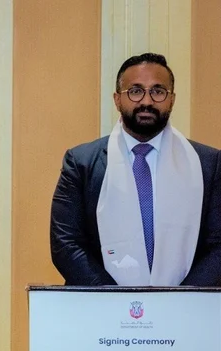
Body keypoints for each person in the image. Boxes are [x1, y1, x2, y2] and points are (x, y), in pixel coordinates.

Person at [51, 52, 221, 286]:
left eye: (158, 91)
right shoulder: (81, 163)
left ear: (172, 99)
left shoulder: (208, 164)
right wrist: (115, 300)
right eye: (135, 91)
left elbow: (218, 246)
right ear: (117, 99)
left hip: (186, 306)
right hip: (102, 304)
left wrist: (181, 299)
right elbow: (65, 243)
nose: (146, 102)